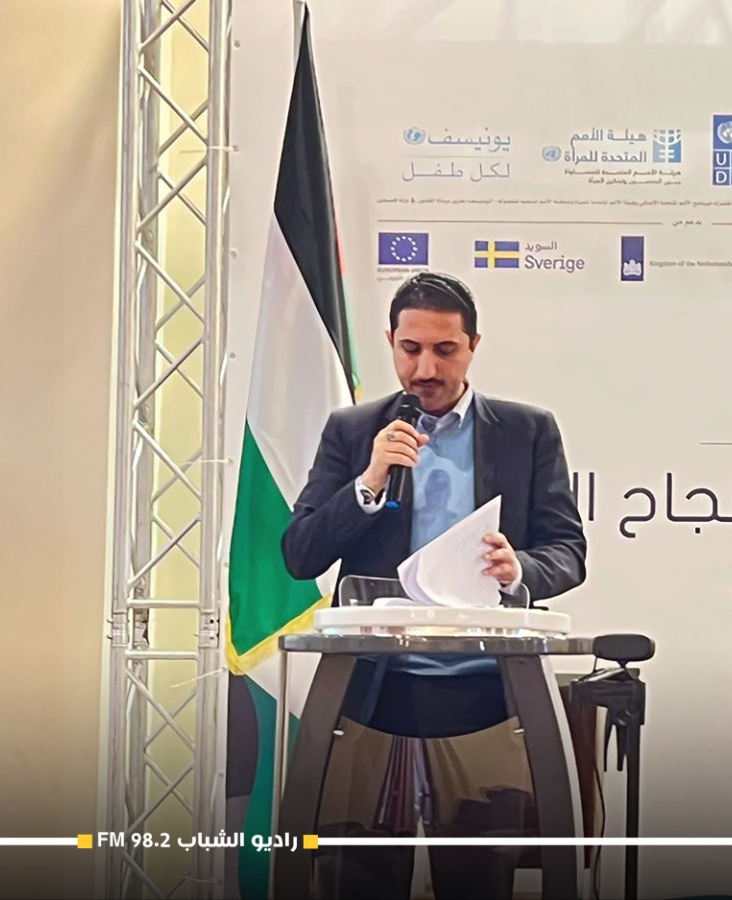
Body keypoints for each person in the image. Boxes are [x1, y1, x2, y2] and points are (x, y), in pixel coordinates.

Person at [281, 271, 587, 898]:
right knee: (355, 884)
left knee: (478, 883)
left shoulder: (526, 431)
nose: (425, 369)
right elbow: (300, 554)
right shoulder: (353, 431)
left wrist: (519, 570)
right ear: (390, 343)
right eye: (411, 349)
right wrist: (368, 482)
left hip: (484, 697)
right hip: (370, 696)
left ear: (473, 346)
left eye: (445, 350)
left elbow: (568, 551)